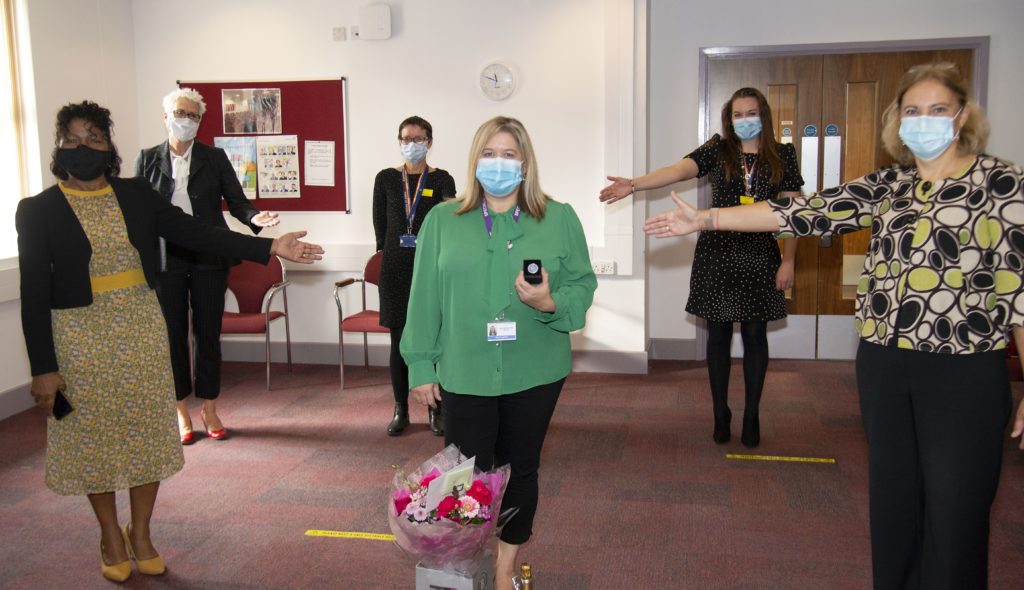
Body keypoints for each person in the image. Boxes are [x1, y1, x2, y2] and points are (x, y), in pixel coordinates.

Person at [643, 63, 1024, 589]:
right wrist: (703, 219)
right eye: (913, 110)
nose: (924, 121)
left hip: (963, 371)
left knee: (956, 508)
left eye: (938, 110)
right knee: (893, 504)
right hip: (885, 364)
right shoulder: (889, 184)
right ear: (897, 121)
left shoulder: (1002, 183)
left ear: (962, 117)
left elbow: (1019, 290)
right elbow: (799, 213)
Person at [17, 100, 321, 583]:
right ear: (59, 146)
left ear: (108, 146)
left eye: (93, 138)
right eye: (72, 139)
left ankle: (140, 532)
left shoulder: (136, 194)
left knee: (142, 430)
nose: (83, 148)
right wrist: (43, 366)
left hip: (138, 325)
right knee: (92, 437)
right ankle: (110, 535)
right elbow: (33, 291)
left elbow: (198, 232)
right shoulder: (38, 210)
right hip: (78, 336)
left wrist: (267, 246)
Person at [401, 116, 597, 590]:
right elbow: (423, 297)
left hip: (536, 369)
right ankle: (462, 562)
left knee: (521, 467)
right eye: (489, 154)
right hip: (465, 369)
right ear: (474, 161)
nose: (498, 164)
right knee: (467, 474)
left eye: (509, 155)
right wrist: (421, 365)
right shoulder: (442, 220)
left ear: (525, 165)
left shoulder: (559, 217)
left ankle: (507, 565)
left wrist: (551, 302)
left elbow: (583, 285)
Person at [601, 87, 803, 447]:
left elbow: (796, 214)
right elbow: (677, 170)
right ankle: (720, 412)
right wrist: (634, 184)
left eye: (751, 113)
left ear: (764, 116)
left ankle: (752, 413)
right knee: (719, 336)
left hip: (760, 256)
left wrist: (788, 262)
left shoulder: (782, 154)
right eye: (737, 115)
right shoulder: (719, 150)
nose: (744, 121)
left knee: (756, 337)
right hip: (718, 254)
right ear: (729, 120)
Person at [134, 88, 280, 445]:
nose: (186, 120)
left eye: (193, 116)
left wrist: (255, 220)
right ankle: (180, 410)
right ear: (166, 116)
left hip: (209, 258)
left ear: (200, 121)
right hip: (166, 258)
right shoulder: (147, 158)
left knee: (207, 335)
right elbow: (138, 213)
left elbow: (237, 201)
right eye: (180, 113)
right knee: (172, 337)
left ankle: (210, 407)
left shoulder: (214, 158)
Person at [372, 116, 456, 436]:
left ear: (429, 143)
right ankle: (400, 408)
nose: (412, 144)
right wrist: (392, 248)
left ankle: (436, 409)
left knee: (434, 340)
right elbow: (380, 224)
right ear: (399, 141)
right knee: (399, 342)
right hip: (395, 268)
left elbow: (451, 223)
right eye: (406, 139)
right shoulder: (386, 179)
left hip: (432, 267)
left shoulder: (443, 179)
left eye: (418, 139)